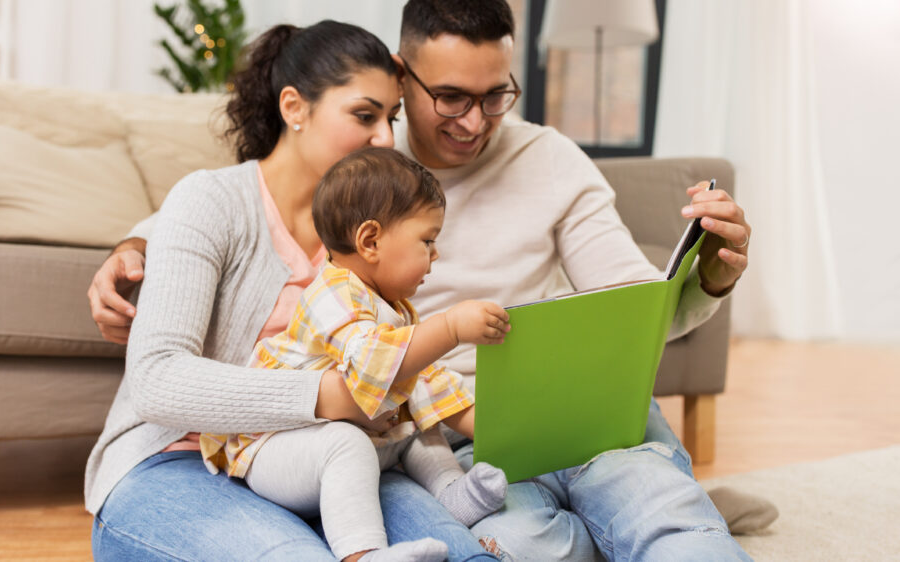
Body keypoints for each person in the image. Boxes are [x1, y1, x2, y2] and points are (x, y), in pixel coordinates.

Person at [89, 1, 759, 560]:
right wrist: (135, 244)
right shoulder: (348, 172)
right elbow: (228, 205)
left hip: (452, 426)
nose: (473, 121)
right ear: (405, 78)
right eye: (449, 98)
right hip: (356, 434)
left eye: (496, 95)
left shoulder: (480, 179)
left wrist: (709, 279)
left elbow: (632, 309)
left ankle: (654, 506)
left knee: (594, 530)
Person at [85, 20, 501, 562]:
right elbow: (156, 378)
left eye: (391, 118)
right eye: (364, 114)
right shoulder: (213, 203)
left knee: (463, 556)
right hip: (178, 457)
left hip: (340, 456)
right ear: (294, 107)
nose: (384, 137)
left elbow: (405, 366)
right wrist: (327, 398)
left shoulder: (375, 235)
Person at [201, 146, 513, 562]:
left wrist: (505, 430)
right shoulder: (332, 293)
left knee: (419, 422)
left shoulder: (395, 309)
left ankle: (451, 493)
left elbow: (427, 387)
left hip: (344, 441)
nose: (435, 255)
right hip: (276, 448)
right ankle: (362, 554)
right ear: (370, 240)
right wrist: (451, 327)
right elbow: (373, 365)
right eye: (427, 240)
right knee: (347, 444)